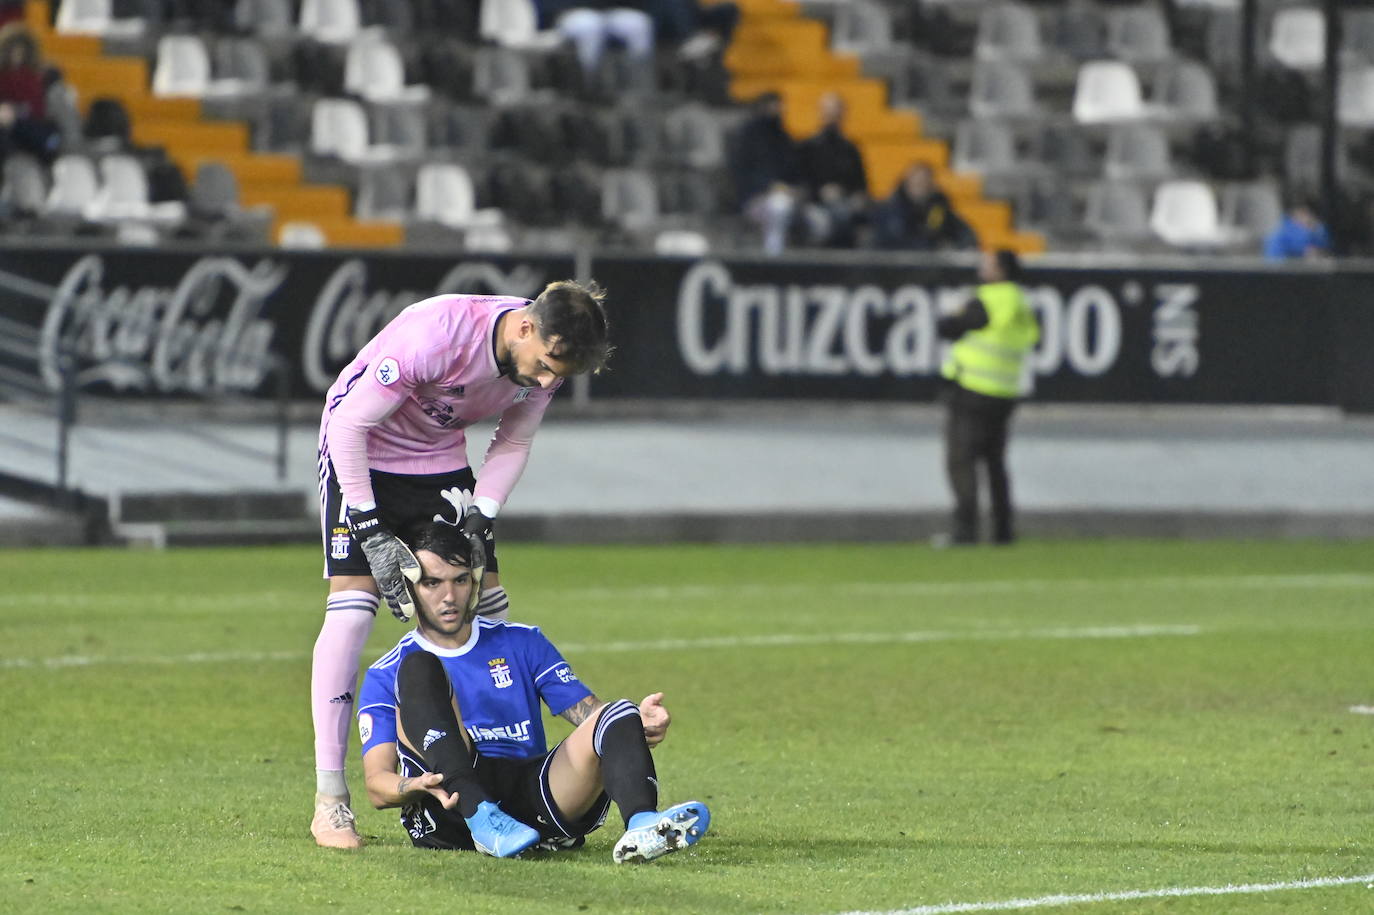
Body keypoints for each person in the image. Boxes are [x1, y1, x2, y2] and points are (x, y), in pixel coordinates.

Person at [310, 280, 612, 849]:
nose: (547, 382)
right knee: (353, 611)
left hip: (439, 461)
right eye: (546, 365)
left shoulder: (544, 361)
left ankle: (496, 780)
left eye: (560, 376)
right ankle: (331, 801)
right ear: (525, 327)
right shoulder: (437, 334)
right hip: (364, 450)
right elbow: (350, 424)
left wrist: (484, 514)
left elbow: (512, 444)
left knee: (488, 603)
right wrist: (371, 527)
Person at [357, 521, 711, 861]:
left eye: (460, 580)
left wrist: (634, 725)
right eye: (432, 583)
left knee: (618, 711)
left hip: (529, 790)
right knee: (419, 668)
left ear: (475, 581)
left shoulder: (522, 641)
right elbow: (377, 785)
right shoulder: (387, 671)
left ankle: (643, 826)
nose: (449, 596)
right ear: (408, 588)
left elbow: (591, 717)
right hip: (450, 803)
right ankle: (481, 815)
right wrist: (414, 786)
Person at [936, 250, 1039, 546]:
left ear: (1001, 270)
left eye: (988, 264)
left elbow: (949, 327)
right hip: (1006, 391)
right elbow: (1032, 337)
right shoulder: (1020, 302)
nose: (982, 268)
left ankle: (965, 530)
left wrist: (952, 316)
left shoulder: (987, 299)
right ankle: (1003, 530)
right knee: (996, 463)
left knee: (961, 460)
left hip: (973, 387)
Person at [728, 91, 804, 255]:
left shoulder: (784, 138)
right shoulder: (747, 137)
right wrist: (768, 188)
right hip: (755, 199)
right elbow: (741, 174)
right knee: (778, 206)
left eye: (780, 105)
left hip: (789, 198)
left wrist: (796, 189)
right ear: (763, 107)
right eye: (774, 105)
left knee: (814, 219)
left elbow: (795, 174)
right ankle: (774, 259)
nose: (778, 109)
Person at [797, 92, 870, 248]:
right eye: (828, 112)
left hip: (845, 201)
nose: (832, 118)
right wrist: (820, 192)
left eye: (836, 113)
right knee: (833, 217)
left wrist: (858, 196)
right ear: (820, 113)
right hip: (814, 205)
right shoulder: (806, 147)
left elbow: (861, 184)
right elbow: (799, 182)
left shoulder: (850, 149)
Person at [872, 162, 976, 252]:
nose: (920, 187)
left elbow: (963, 232)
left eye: (924, 182)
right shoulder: (890, 212)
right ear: (906, 184)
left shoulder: (939, 209)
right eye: (916, 183)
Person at [1263, 198, 1331, 260]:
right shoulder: (1282, 234)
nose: (1307, 218)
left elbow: (1326, 245)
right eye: (1302, 213)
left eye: (1308, 214)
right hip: (1282, 268)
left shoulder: (1317, 229)